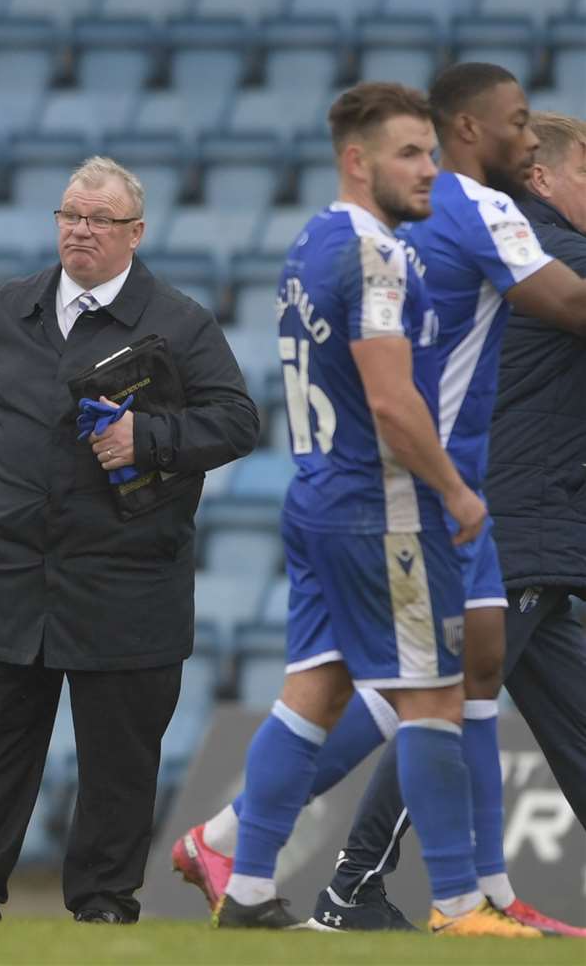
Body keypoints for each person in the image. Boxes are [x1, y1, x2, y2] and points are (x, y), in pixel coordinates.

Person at [178, 66, 586, 937]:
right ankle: (451, 899)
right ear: (360, 162)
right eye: (411, 156)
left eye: (430, 153)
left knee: (328, 689)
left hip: (326, 491)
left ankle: (244, 875)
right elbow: (397, 401)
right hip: (394, 500)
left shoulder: (313, 244)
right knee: (433, 695)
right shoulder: (385, 254)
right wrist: (452, 488)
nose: (428, 171)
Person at [0, 155, 258, 924]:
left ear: (135, 233)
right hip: (6, 572)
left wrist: (151, 436)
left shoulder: (179, 321)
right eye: (70, 214)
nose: (80, 229)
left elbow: (237, 421)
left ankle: (104, 906)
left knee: (118, 762)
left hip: (128, 579)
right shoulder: (7, 308)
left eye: (99, 219)